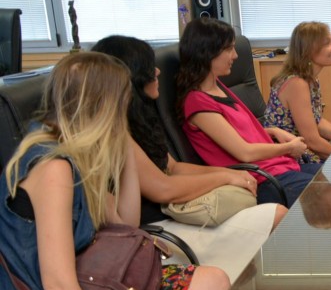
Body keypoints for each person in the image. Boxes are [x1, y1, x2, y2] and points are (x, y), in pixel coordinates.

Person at [0, 52, 230, 290]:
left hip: (90, 286)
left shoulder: (74, 152)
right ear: (107, 105)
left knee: (214, 282)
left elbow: (124, 223)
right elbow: (57, 286)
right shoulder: (52, 169)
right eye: (122, 103)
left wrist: (123, 146)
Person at [91, 35, 274, 226]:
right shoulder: (116, 134)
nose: (158, 71)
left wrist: (231, 175)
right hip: (162, 223)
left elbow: (174, 168)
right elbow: (164, 188)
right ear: (130, 77)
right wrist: (225, 176)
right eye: (148, 68)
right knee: (275, 216)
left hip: (177, 210)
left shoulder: (140, 120)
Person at [176, 18, 320, 206]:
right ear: (207, 52)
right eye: (228, 49)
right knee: (328, 192)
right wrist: (289, 148)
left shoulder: (217, 86)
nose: (235, 55)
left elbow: (234, 133)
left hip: (278, 167)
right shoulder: (197, 102)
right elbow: (244, 153)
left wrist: (272, 131)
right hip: (263, 180)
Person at [263, 22, 331, 163]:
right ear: (309, 50)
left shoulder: (309, 79)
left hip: (304, 149)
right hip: (291, 157)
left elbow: (315, 121)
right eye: (327, 43)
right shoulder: (296, 84)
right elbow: (311, 141)